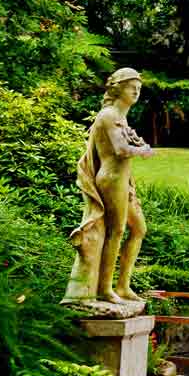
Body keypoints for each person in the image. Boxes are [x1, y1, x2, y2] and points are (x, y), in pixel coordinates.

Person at [62, 67, 153, 304]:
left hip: (123, 180)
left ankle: (123, 286)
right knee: (117, 231)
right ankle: (105, 288)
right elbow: (120, 150)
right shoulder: (109, 115)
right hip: (111, 179)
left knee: (139, 229)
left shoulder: (120, 116)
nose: (136, 91)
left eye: (139, 88)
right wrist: (142, 150)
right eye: (131, 86)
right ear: (117, 88)